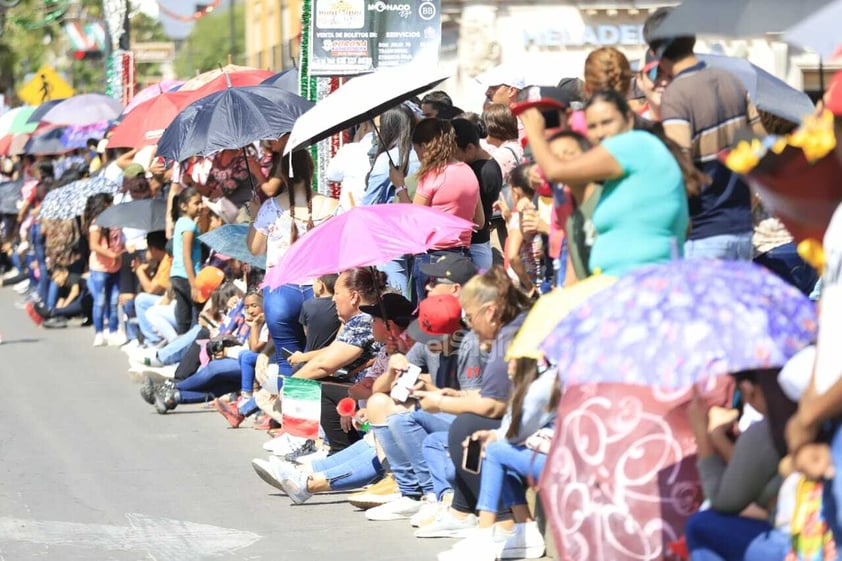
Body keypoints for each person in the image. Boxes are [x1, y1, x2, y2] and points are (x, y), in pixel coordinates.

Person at [520, 89, 705, 277]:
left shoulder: (633, 144)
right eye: (592, 126)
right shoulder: (621, 165)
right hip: (623, 280)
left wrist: (535, 132)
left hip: (648, 279)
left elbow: (555, 171)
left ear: (629, 119)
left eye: (607, 122)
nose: (600, 133)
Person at [414, 266, 530, 539]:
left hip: (538, 425)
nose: (467, 325)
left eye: (469, 316)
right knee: (463, 422)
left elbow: (492, 406)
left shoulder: (506, 338)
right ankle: (464, 512)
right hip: (524, 416)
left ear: (490, 311)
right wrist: (456, 396)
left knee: (466, 427)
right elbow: (493, 396)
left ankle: (504, 523)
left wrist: (440, 403)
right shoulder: (506, 332)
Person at [643, 8, 765, 260]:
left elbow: (680, 169)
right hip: (742, 229)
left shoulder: (677, 95)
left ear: (655, 52)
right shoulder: (732, 81)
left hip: (703, 232)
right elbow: (760, 149)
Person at [438, 358, 560, 561]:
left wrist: (492, 437)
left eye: (511, 357)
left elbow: (515, 433)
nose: (507, 362)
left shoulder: (544, 385)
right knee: (500, 453)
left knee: (494, 450)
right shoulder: (544, 380)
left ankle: (484, 536)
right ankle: (525, 530)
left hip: (565, 464)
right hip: (558, 456)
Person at [684, 370, 797, 561]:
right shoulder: (806, 413)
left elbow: (724, 502)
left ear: (748, 390)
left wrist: (701, 434)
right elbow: (750, 475)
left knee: (700, 526)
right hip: (817, 537)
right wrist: (719, 439)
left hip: (800, 547)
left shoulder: (768, 429)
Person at [247, 150, 338, 375]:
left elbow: (255, 249)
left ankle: (291, 409)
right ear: (312, 171)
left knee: (286, 361)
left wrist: (254, 216)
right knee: (322, 363)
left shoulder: (270, 208)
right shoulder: (333, 206)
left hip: (280, 292)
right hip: (321, 290)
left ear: (284, 177)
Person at [292, 267, 386, 453]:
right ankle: (312, 442)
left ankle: (331, 447)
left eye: (336, 293)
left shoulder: (363, 320)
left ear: (354, 296)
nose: (333, 299)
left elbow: (325, 365)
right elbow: (329, 354)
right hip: (363, 391)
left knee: (311, 383)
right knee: (305, 373)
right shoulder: (357, 320)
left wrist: (291, 387)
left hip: (369, 396)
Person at [390, 118, 483, 302]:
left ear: (425, 146)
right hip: (462, 257)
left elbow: (413, 221)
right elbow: (479, 222)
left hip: (432, 258)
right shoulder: (468, 171)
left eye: (417, 151)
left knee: (428, 319)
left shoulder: (432, 176)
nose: (418, 156)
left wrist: (400, 187)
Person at [452, 118, 503, 272]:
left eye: (455, 153)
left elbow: (474, 214)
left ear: (469, 148)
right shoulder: (483, 166)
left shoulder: (482, 172)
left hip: (475, 245)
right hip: (477, 242)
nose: (453, 158)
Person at [84, 192, 124, 347]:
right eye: (109, 203)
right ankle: (99, 332)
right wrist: (111, 254)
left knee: (114, 301)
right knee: (100, 301)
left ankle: (113, 331)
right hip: (100, 267)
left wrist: (120, 252)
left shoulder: (116, 221)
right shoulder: (97, 224)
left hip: (115, 267)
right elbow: (93, 245)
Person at [287, 273, 341, 368]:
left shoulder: (308, 305)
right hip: (336, 359)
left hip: (312, 358)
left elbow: (306, 333)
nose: (312, 286)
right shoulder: (339, 305)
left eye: (314, 282)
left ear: (320, 285)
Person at [170, 187, 203, 335]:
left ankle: (180, 351)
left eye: (201, 202)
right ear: (184, 206)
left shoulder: (182, 222)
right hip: (188, 277)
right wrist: (193, 284)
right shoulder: (189, 226)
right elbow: (186, 255)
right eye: (196, 203)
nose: (201, 206)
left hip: (177, 274)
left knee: (183, 318)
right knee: (195, 318)